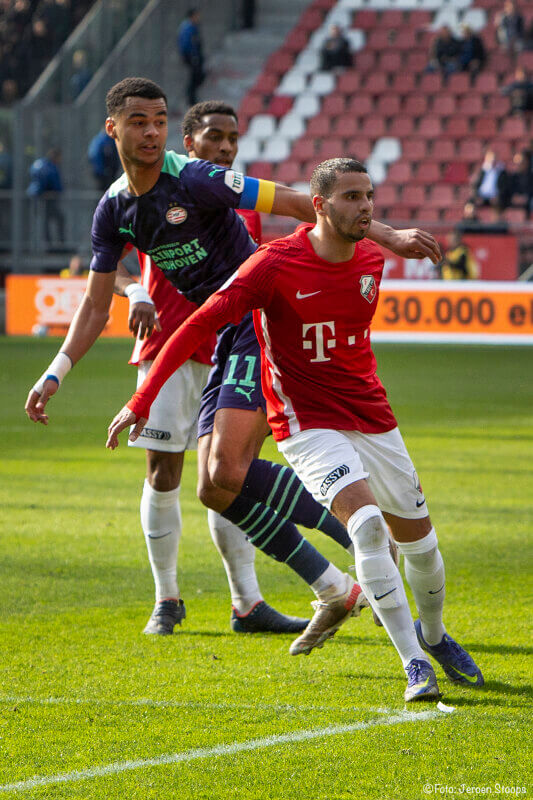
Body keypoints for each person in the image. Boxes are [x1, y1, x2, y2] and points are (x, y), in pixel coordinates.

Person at [26, 78, 441, 647]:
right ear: (112, 129)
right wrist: (55, 374)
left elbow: (299, 202)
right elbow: (98, 303)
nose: (151, 132)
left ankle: (352, 529)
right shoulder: (113, 211)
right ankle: (335, 578)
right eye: (139, 122)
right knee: (214, 488)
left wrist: (388, 236)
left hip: (253, 323)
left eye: (160, 120)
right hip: (218, 333)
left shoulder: (196, 177)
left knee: (225, 472)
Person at [107, 158, 484, 702]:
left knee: (422, 545)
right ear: (320, 205)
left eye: (369, 196)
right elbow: (199, 322)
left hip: (372, 416)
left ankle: (434, 633)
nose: (366, 208)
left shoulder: (371, 263)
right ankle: (414, 663)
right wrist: (142, 399)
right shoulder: (272, 265)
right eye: (352, 197)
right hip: (305, 422)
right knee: (369, 528)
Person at [113, 100, 312, 635]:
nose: (226, 149)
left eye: (233, 140)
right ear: (188, 143)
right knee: (164, 473)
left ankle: (247, 602)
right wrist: (133, 288)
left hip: (235, 346)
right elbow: (106, 262)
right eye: (215, 138)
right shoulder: (152, 190)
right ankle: (166, 599)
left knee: (228, 475)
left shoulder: (236, 199)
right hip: (166, 348)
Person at [26, 147, 65, 245]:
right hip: (46, 198)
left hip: (34, 196)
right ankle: (56, 243)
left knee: (44, 220)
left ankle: (46, 243)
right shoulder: (50, 167)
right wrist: (56, 191)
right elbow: (55, 184)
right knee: (57, 218)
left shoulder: (38, 163)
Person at [177, 8, 205, 106]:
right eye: (197, 16)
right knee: (195, 76)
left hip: (193, 55)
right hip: (190, 55)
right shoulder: (187, 28)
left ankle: (192, 97)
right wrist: (192, 55)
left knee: (198, 76)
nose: (198, 18)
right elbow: (187, 43)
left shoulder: (192, 27)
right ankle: (191, 99)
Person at [471, 148, 509, 217]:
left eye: (493, 158)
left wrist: (497, 196)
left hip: (496, 197)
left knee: (500, 203)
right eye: (490, 159)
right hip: (482, 197)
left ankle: (496, 222)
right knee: (470, 202)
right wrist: (477, 196)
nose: (492, 161)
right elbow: (475, 185)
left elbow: (505, 187)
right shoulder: (482, 171)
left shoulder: (502, 172)